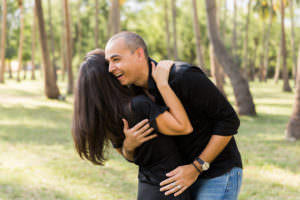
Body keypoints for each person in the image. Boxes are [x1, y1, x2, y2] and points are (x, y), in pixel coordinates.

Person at [104, 31, 243, 200]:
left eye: (116, 59)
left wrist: (196, 167)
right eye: (109, 62)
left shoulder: (182, 76)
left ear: (139, 54)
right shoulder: (133, 98)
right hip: (181, 179)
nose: (111, 68)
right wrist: (129, 145)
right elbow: (131, 155)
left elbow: (229, 120)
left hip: (217, 173)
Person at [72, 49, 196, 199]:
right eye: (111, 64)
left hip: (147, 188)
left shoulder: (109, 117)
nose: (115, 67)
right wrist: (162, 84)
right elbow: (184, 127)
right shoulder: (138, 106)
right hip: (171, 186)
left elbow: (127, 155)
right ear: (109, 77)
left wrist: (128, 147)